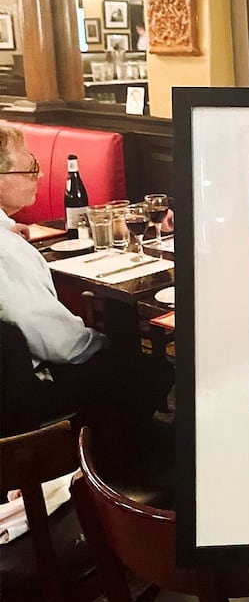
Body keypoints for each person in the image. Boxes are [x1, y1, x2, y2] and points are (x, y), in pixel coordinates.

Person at [0, 121, 172, 440]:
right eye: (31, 168)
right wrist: (105, 341)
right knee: (152, 370)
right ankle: (107, 457)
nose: (40, 174)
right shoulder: (8, 252)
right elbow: (62, 346)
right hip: (26, 392)